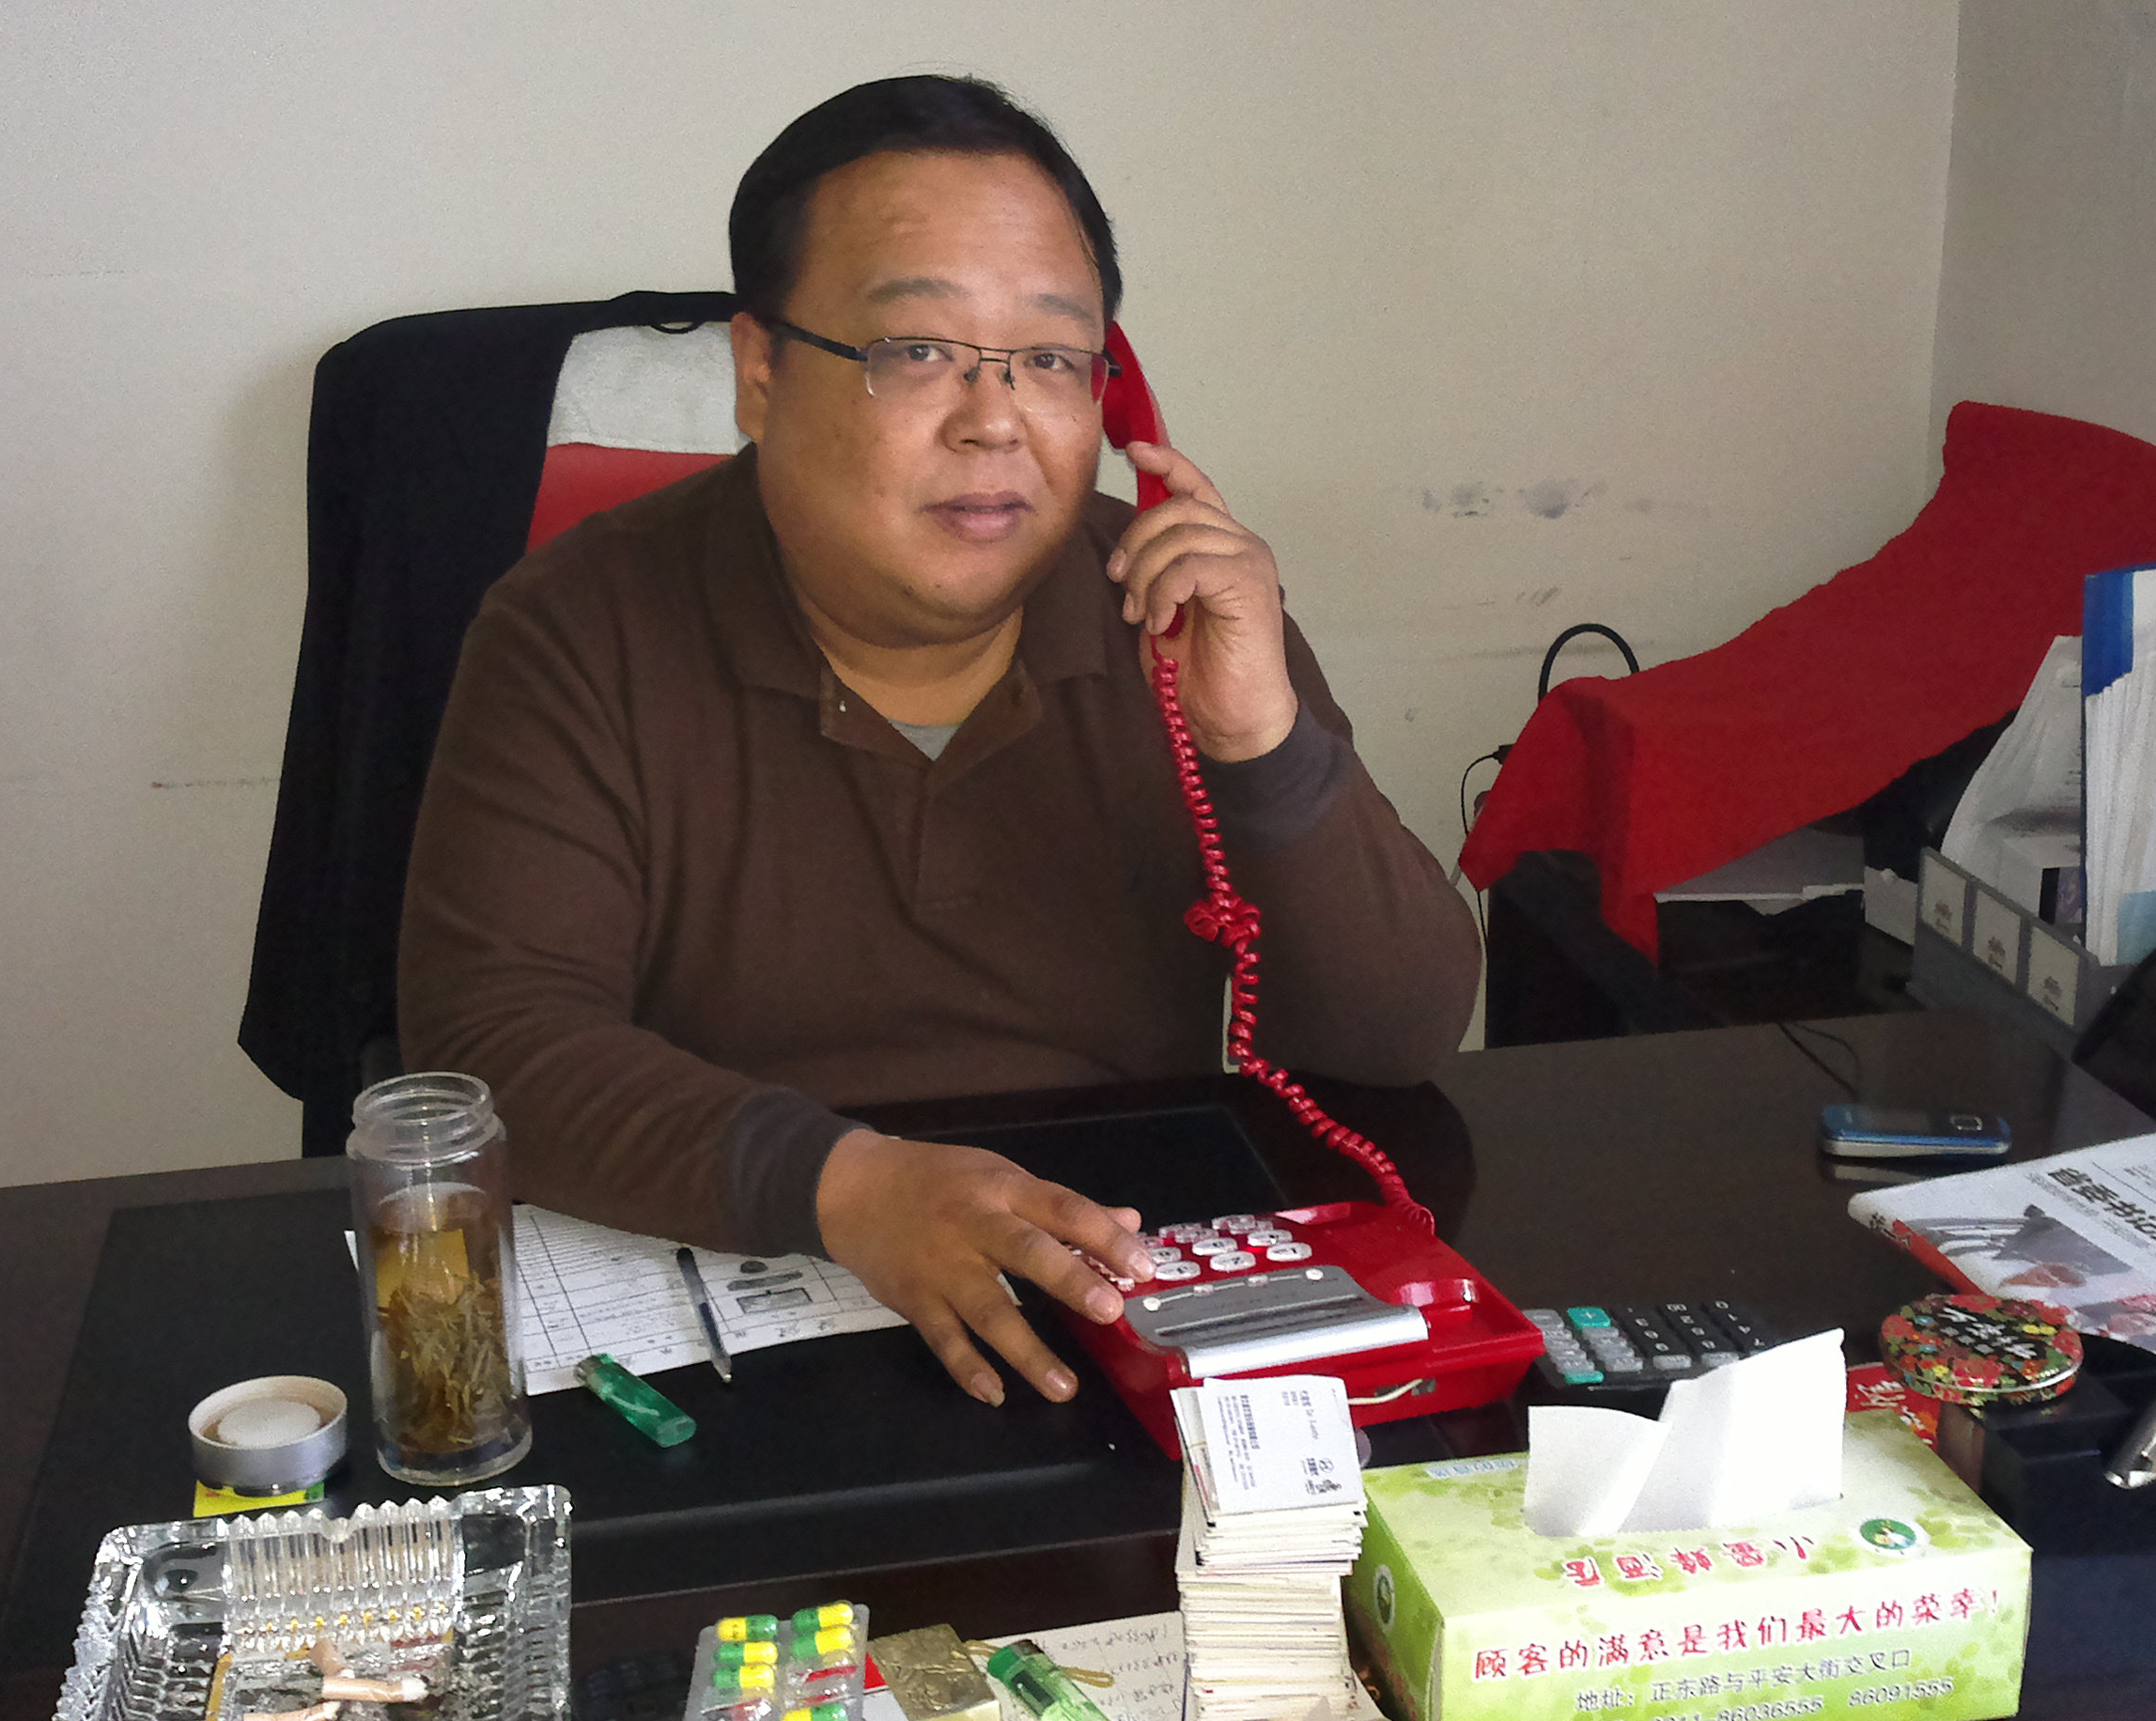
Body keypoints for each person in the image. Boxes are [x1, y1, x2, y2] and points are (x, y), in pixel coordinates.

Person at [397, 76, 1478, 1408]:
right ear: (759, 374)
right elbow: (495, 1041)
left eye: (1050, 359)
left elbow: (1400, 1037)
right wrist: (848, 1185)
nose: (994, 420)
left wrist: (1261, 741)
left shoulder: (1172, 617)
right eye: (918, 351)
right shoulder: (580, 626)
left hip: (1114, 1292)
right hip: (734, 1294)